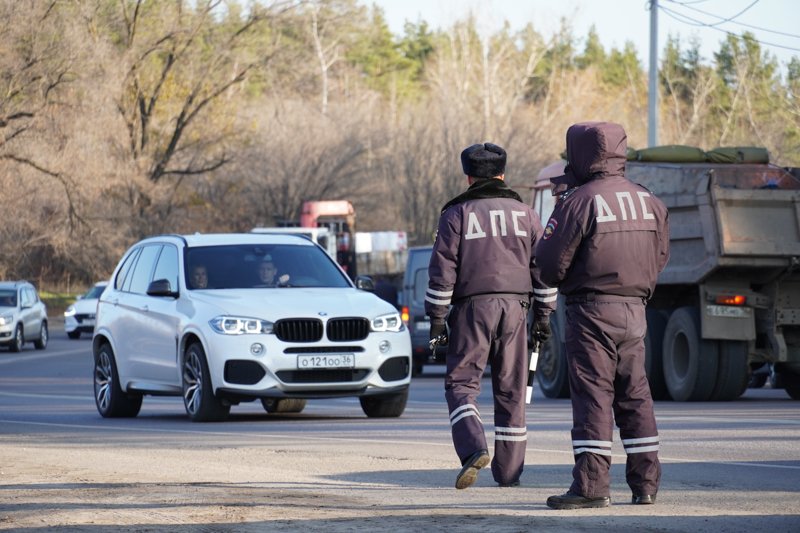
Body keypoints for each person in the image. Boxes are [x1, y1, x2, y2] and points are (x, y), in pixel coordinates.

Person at [535, 121, 670, 510]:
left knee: (593, 396)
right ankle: (646, 485)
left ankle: (592, 487)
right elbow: (661, 257)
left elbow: (549, 265)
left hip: (591, 311)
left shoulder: (579, 201)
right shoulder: (650, 200)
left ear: (581, 155)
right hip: (635, 310)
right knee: (635, 396)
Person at [425, 142, 556, 489]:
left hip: (472, 309)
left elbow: (442, 272)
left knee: (461, 384)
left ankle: (473, 448)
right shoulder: (527, 213)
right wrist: (544, 315)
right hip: (517, 309)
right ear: (503, 174)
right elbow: (543, 269)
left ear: (468, 176)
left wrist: (437, 320)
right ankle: (509, 473)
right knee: (512, 390)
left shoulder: (456, 214)